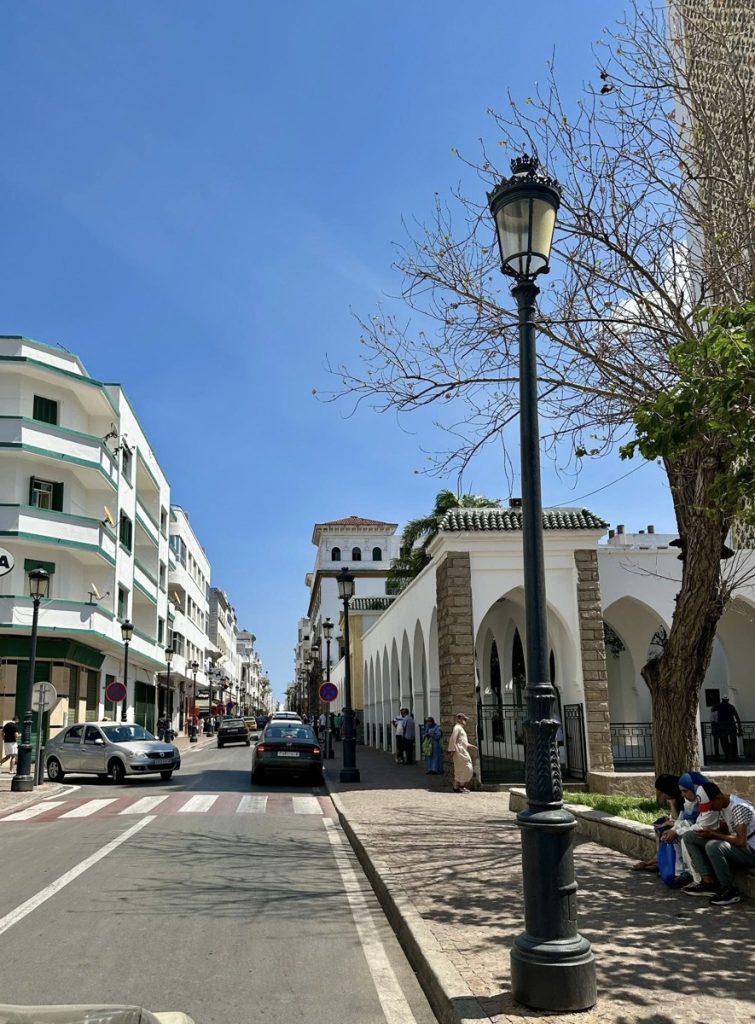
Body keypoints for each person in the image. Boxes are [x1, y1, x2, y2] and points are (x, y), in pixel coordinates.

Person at [681, 782, 755, 904]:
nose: (710, 809)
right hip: (738, 847)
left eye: (711, 806)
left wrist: (714, 835)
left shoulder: (739, 808)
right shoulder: (722, 807)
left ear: (718, 798)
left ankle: (729, 890)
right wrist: (709, 833)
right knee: (689, 836)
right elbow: (725, 830)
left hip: (751, 850)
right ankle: (708, 882)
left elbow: (741, 841)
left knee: (714, 846)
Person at [448, 712, 476, 793]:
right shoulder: (457, 728)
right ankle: (461, 786)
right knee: (467, 767)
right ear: (459, 719)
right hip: (459, 751)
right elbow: (453, 739)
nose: (465, 721)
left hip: (461, 751)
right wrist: (452, 750)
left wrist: (470, 745)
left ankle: (456, 787)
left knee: (460, 769)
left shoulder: (460, 728)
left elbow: (462, 740)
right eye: (464, 719)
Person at [714, 697, 742, 761]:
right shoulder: (731, 706)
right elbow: (737, 716)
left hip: (723, 726)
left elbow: (713, 709)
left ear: (722, 700)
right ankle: (734, 754)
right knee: (733, 740)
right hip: (731, 725)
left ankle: (727, 754)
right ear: (728, 700)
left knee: (724, 740)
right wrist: (739, 726)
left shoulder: (719, 706)